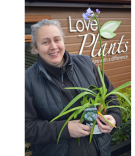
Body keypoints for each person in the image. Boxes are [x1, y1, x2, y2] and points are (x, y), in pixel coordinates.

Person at [25, 19, 122, 156]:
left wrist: (114, 117)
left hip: (100, 151)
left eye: (57, 39)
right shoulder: (27, 80)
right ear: (35, 47)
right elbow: (26, 128)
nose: (53, 46)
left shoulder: (86, 63)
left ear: (63, 41)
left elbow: (111, 97)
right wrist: (65, 130)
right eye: (45, 42)